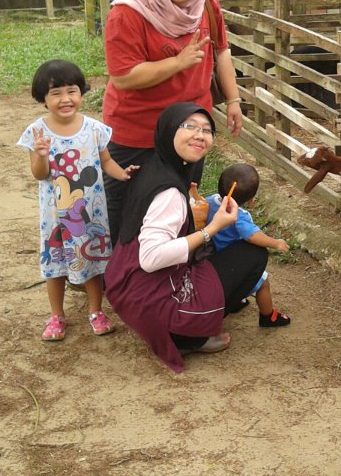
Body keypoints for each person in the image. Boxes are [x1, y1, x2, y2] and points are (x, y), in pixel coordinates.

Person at [105, 103, 270, 373]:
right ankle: (191, 337)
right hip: (154, 300)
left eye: (206, 130)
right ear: (169, 130)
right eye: (189, 126)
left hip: (129, 289)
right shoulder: (169, 193)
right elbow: (151, 258)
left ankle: (186, 325)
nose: (199, 135)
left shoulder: (154, 167)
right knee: (252, 255)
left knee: (210, 251)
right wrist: (211, 228)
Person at [102, 0, 243, 242]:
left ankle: (173, 275)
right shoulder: (128, 13)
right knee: (127, 205)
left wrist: (233, 99)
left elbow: (222, 51)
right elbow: (124, 77)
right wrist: (179, 63)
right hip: (136, 129)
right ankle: (121, 278)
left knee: (181, 201)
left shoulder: (206, 2)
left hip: (188, 129)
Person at [17, 59, 138, 341]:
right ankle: (57, 316)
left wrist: (123, 175)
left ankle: (96, 311)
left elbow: (106, 162)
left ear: (81, 93)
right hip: (56, 217)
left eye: (71, 91)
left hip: (90, 215)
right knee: (55, 264)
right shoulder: (38, 133)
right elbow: (39, 175)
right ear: (43, 99)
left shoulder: (94, 128)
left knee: (95, 262)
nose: (65, 99)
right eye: (55, 93)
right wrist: (41, 155)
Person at [204, 163, 291, 327]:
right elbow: (252, 236)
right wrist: (276, 243)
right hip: (236, 260)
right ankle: (268, 316)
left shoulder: (210, 201)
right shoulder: (239, 216)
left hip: (215, 256)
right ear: (251, 200)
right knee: (263, 283)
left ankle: (236, 302)